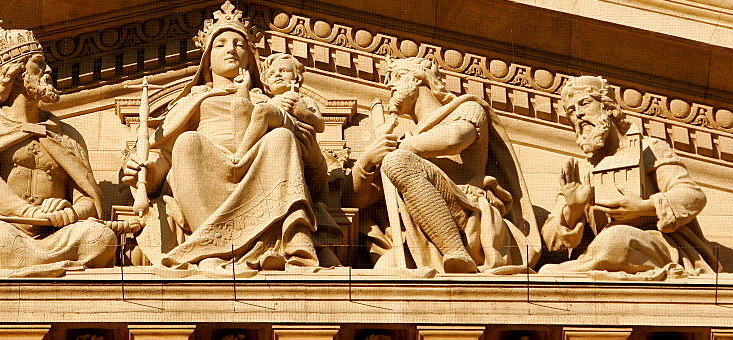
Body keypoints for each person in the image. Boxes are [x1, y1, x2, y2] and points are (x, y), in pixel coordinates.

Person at [121, 1, 324, 272]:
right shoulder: (193, 101)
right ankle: (211, 248)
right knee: (187, 141)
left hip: (258, 174)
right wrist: (144, 170)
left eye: (239, 44)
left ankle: (286, 243)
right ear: (207, 62)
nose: (231, 49)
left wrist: (310, 150)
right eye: (221, 44)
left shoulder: (269, 102)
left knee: (282, 138)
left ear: (251, 58)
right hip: (207, 175)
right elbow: (167, 158)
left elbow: (316, 178)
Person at [0, 21, 117, 276]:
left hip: (56, 232)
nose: (49, 70)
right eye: (39, 63)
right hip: (2, 225)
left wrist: (68, 212)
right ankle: (47, 264)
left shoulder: (67, 135)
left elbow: (87, 199)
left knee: (100, 237)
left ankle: (34, 263)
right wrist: (32, 213)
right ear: (12, 73)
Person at [353, 56, 540, 274]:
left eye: (397, 76)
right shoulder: (404, 145)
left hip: (467, 218)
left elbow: (454, 139)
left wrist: (398, 148)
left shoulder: (466, 109)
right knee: (382, 272)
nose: (389, 85)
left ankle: (456, 251)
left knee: (397, 161)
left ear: (418, 79)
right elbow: (355, 201)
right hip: (421, 228)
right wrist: (367, 160)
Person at [540, 75, 717, 278]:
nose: (578, 114)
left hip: (655, 244)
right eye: (571, 110)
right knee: (552, 267)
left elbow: (692, 196)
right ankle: (580, 270)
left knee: (616, 238)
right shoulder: (579, 172)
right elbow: (551, 239)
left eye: (585, 103)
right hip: (601, 248)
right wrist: (573, 209)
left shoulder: (649, 149)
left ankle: (575, 272)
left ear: (609, 108)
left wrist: (643, 208)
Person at [229, 53, 324, 165]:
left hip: (295, 129)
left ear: (296, 76)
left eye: (283, 70)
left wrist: (303, 112)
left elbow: (320, 125)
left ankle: (242, 152)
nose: (277, 75)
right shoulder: (267, 102)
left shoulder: (304, 100)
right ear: (267, 83)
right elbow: (247, 120)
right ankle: (245, 154)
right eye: (271, 74)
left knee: (262, 110)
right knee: (257, 110)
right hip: (274, 133)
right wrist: (243, 88)